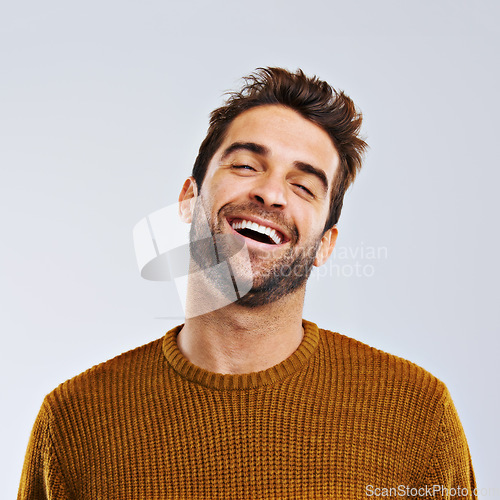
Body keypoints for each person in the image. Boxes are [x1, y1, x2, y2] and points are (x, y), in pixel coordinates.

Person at [18, 67, 476, 499]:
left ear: (325, 245)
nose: (271, 193)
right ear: (188, 200)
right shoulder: (73, 420)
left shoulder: (418, 416)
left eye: (303, 186)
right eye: (244, 166)